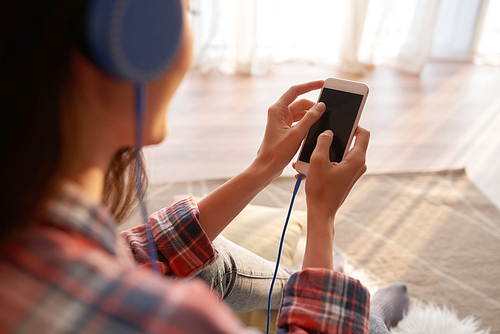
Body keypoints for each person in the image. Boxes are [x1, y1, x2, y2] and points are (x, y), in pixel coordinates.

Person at [0, 0, 407, 333]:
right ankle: (365, 320)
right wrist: (323, 217)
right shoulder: (179, 320)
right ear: (133, 42)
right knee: (353, 320)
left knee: (212, 260)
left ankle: (356, 310)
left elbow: (139, 254)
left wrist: (264, 166)